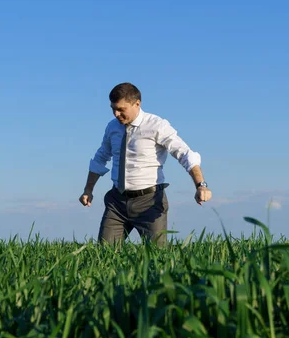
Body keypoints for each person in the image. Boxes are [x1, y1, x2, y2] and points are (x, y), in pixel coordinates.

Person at [79, 82, 212, 247]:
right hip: (117, 202)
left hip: (149, 202)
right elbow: (100, 157)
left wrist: (201, 185)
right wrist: (88, 190)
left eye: (121, 109)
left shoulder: (157, 125)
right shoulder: (112, 127)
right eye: (113, 109)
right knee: (103, 254)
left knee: (157, 258)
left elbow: (184, 153)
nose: (116, 114)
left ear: (137, 103)